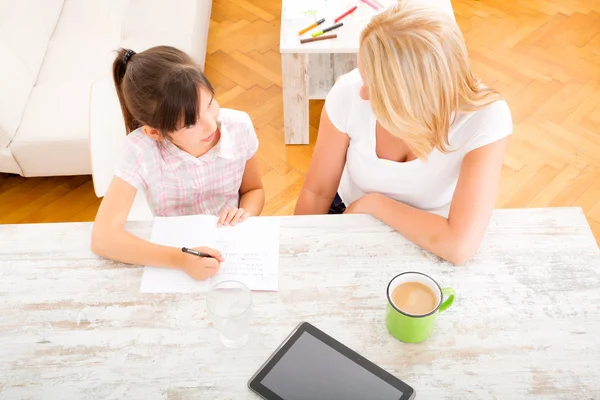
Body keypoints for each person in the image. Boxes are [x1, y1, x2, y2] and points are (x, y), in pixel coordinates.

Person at [294, 2, 513, 265]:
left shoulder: (486, 117)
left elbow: (458, 246)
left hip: (431, 232)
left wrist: (373, 204)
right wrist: (297, 253)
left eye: (373, 84)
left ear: (411, 96)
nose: (362, 92)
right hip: (349, 216)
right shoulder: (349, 93)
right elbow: (317, 192)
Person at [91, 46, 264, 280]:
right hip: (171, 254)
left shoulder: (239, 126)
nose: (211, 125)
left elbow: (254, 190)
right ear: (155, 132)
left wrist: (245, 215)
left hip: (229, 249)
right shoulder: (141, 150)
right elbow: (103, 237)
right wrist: (180, 259)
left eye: (210, 103)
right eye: (191, 123)